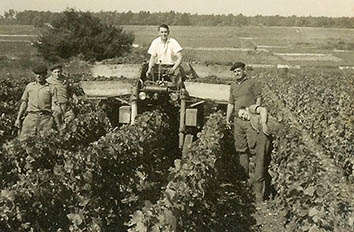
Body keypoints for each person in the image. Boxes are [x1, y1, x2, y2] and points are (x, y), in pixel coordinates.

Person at [225, 61, 265, 202]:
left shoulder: (252, 83)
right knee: (241, 148)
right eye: (234, 72)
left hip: (250, 120)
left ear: (244, 71)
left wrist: (255, 111)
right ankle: (244, 178)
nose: (237, 73)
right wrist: (227, 118)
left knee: (253, 148)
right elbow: (231, 103)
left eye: (239, 71)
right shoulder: (233, 86)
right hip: (238, 120)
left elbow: (258, 98)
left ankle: (254, 181)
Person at [15, 64, 57, 141]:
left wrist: (55, 118)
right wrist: (18, 118)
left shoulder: (51, 87)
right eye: (37, 74)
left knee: (45, 141)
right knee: (24, 140)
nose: (38, 76)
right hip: (31, 117)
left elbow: (54, 104)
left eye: (41, 74)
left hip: (45, 119)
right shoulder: (29, 86)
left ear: (45, 75)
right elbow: (24, 103)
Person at [46, 64, 77, 129]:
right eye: (55, 72)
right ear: (51, 73)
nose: (57, 74)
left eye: (59, 72)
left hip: (66, 105)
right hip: (55, 106)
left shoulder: (65, 80)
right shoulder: (48, 81)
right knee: (58, 124)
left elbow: (69, 90)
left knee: (71, 118)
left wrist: (74, 96)